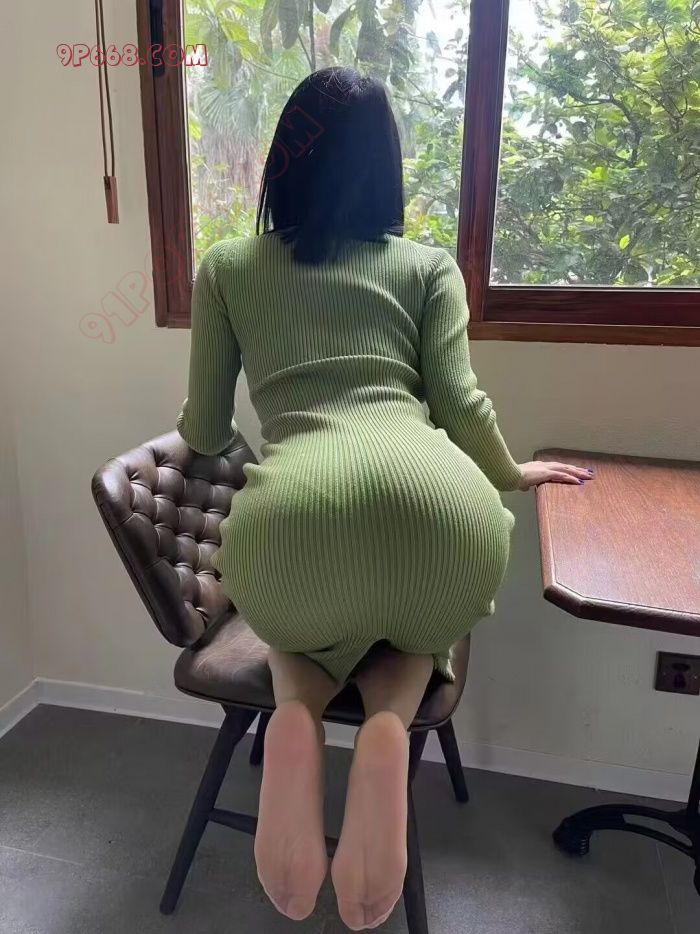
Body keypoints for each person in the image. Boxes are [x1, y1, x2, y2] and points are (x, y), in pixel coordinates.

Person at [177, 67, 590, 931]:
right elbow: (461, 405)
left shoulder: (227, 267)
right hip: (442, 514)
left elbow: (208, 431)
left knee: (296, 638)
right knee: (414, 635)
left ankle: (297, 717)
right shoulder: (430, 268)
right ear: (386, 168)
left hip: (294, 522)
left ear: (283, 162)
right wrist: (512, 474)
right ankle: (387, 731)